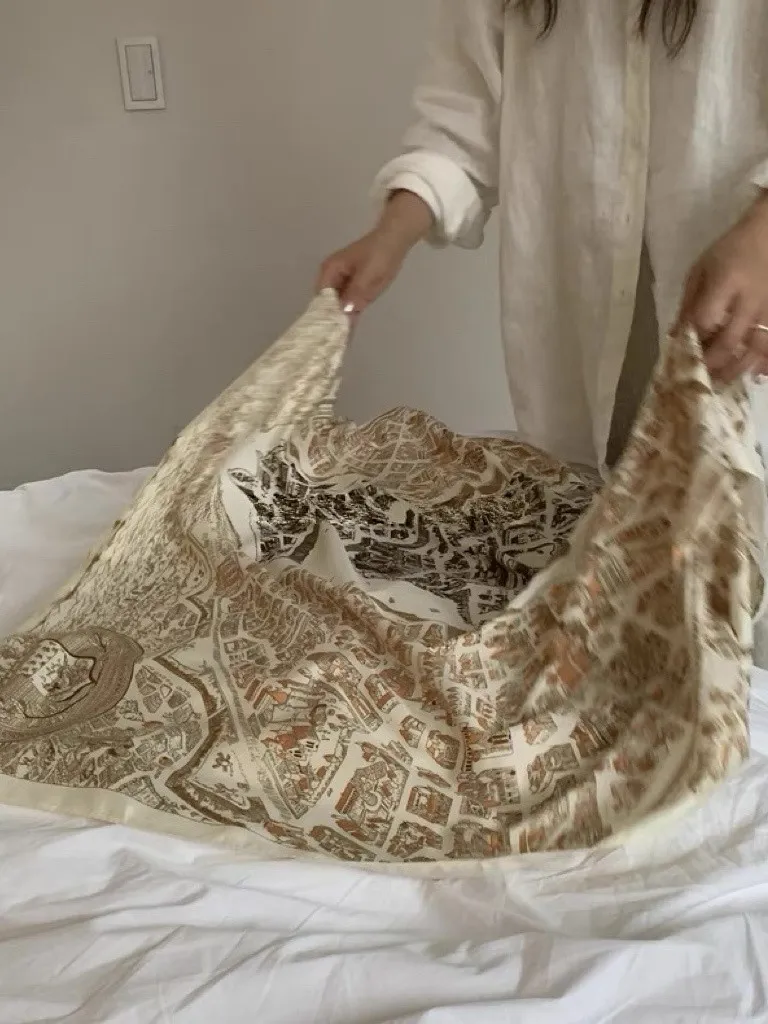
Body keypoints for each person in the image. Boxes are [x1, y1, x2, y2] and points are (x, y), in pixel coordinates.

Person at [317, 0, 768, 471]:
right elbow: (464, 118)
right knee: (591, 496)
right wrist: (388, 238)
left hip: (736, 319)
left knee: (735, 486)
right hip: (578, 339)